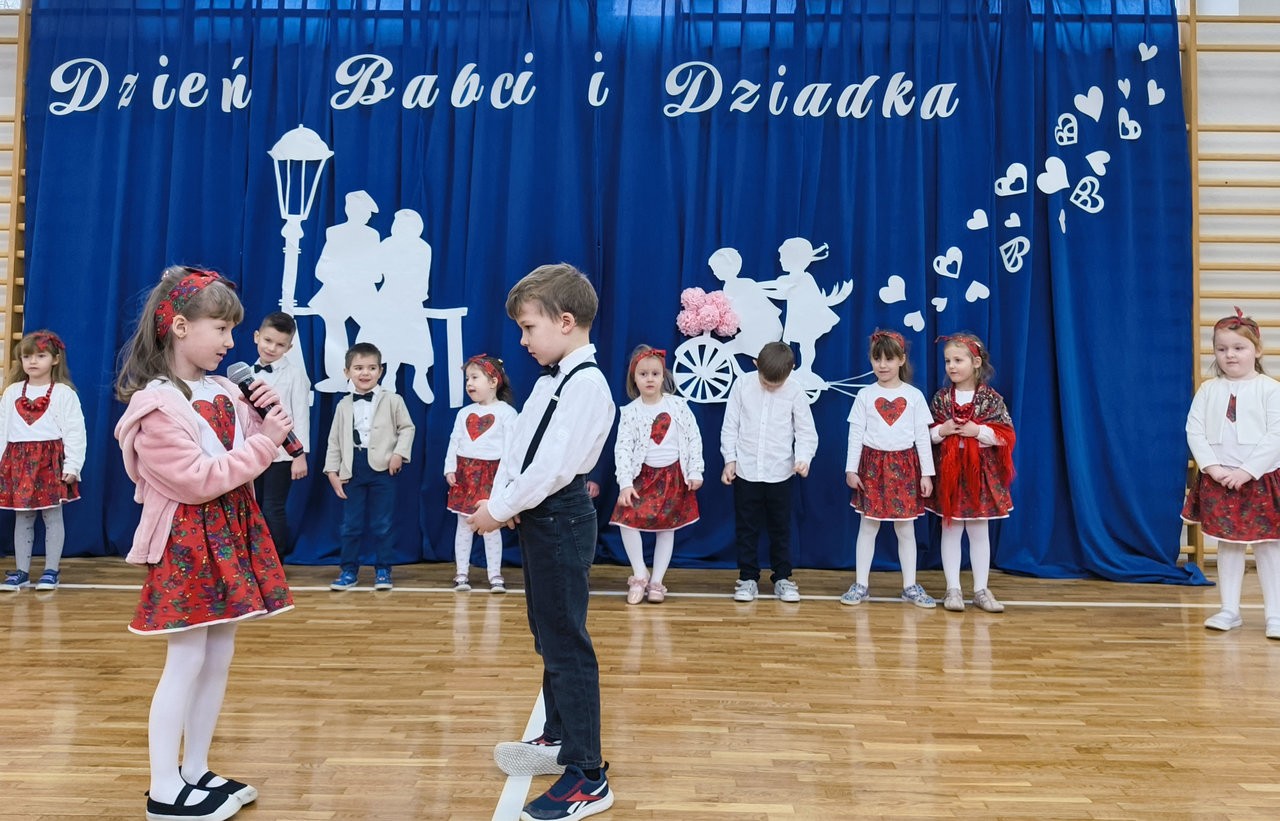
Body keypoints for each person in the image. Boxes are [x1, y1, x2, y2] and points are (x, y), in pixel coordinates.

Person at [114, 266, 295, 821]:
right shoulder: (156, 407)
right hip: (189, 542)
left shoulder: (225, 390)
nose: (230, 342)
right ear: (179, 327)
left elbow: (254, 449)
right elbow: (198, 479)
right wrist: (262, 445)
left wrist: (266, 419)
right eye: (220, 328)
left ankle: (195, 768)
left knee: (218, 655)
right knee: (187, 658)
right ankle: (164, 788)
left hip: (230, 532)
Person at [470, 263, 616, 821]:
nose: (523, 341)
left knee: (566, 642)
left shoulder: (588, 386)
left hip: (561, 516)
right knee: (546, 632)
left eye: (529, 328)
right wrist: (505, 498)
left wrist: (501, 508)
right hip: (538, 513)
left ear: (566, 321)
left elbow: (553, 467)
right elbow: (521, 448)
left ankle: (588, 775)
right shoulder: (549, 380)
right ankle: (558, 735)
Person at [1183, 308, 1280, 639]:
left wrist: (1247, 471)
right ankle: (1229, 610)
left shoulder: (1270, 389)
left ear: (1257, 350)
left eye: (1239, 348)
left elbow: (1276, 435)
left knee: (1268, 546)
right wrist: (1213, 467)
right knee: (1228, 545)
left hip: (1261, 480)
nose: (1230, 355)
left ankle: (1275, 614)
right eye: (1222, 349)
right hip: (1220, 481)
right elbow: (1194, 430)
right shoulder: (1208, 390)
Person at [841, 329, 936, 608]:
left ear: (901, 360)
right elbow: (855, 434)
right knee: (868, 526)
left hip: (905, 468)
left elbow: (922, 437)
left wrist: (927, 473)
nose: (882, 365)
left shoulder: (914, 396)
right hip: (872, 468)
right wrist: (851, 469)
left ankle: (910, 586)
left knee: (905, 530)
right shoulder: (865, 395)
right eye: (877, 359)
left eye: (889, 359)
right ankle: (861, 584)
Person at [720, 340, 817, 603]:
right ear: (755, 365)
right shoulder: (742, 385)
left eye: (777, 383)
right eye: (766, 381)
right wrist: (730, 460)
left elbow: (806, 431)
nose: (771, 387)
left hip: (781, 472)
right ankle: (747, 578)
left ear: (791, 370)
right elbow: (730, 426)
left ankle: (783, 578)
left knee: (781, 528)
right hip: (746, 471)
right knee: (746, 528)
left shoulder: (795, 390)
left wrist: (804, 458)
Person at [927, 333, 1015, 613]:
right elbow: (925, 435)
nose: (951, 366)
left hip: (980, 476)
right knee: (951, 529)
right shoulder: (942, 399)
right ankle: (952, 588)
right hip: (950, 475)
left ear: (976, 363)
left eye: (958, 360)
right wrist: (942, 430)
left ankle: (980, 589)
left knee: (978, 531)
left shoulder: (991, 399)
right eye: (947, 361)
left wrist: (979, 431)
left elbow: (1005, 435)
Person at [609, 345, 704, 604]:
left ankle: (657, 582)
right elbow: (623, 449)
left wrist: (695, 469)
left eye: (655, 374)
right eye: (643, 374)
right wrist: (625, 482)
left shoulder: (678, 406)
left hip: (673, 477)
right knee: (626, 520)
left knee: (667, 528)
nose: (649, 379)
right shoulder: (630, 412)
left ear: (663, 376)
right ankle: (640, 573)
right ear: (634, 378)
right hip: (642, 477)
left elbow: (693, 438)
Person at [324, 342, 416, 592]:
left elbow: (407, 428)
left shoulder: (393, 399)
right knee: (350, 525)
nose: (365, 373)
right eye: (358, 368)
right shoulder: (343, 405)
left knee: (382, 523)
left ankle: (383, 570)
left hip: (383, 469)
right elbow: (334, 440)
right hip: (353, 468)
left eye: (371, 368)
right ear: (347, 372)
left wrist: (399, 453)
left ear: (380, 370)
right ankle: (348, 571)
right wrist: (332, 471)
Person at [0, 331, 86, 593]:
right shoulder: (12, 392)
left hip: (49, 463)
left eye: (40, 356)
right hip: (18, 462)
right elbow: (2, 429)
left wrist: (72, 466)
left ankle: (51, 571)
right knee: (23, 518)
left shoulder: (64, 393)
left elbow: (75, 431)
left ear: (55, 359)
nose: (33, 361)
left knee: (52, 516)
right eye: (27, 357)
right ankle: (22, 572)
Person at [445, 353, 517, 593]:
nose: (469, 383)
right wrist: (450, 468)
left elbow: (512, 449)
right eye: (467, 379)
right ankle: (461, 573)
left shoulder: (507, 413)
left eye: (475, 377)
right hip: (466, 475)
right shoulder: (464, 413)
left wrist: (508, 480)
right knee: (464, 526)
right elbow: (454, 441)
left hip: (492, 476)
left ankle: (495, 574)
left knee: (491, 527)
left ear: (493, 381)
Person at [249, 312, 310, 559]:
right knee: (252, 506)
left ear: (289, 347)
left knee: (273, 507)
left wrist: (299, 455)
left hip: (281, 454)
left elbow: (301, 415)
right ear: (257, 337)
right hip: (252, 451)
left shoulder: (295, 374)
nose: (272, 348)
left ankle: (274, 560)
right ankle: (253, 557)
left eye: (280, 344)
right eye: (268, 340)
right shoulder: (247, 373)